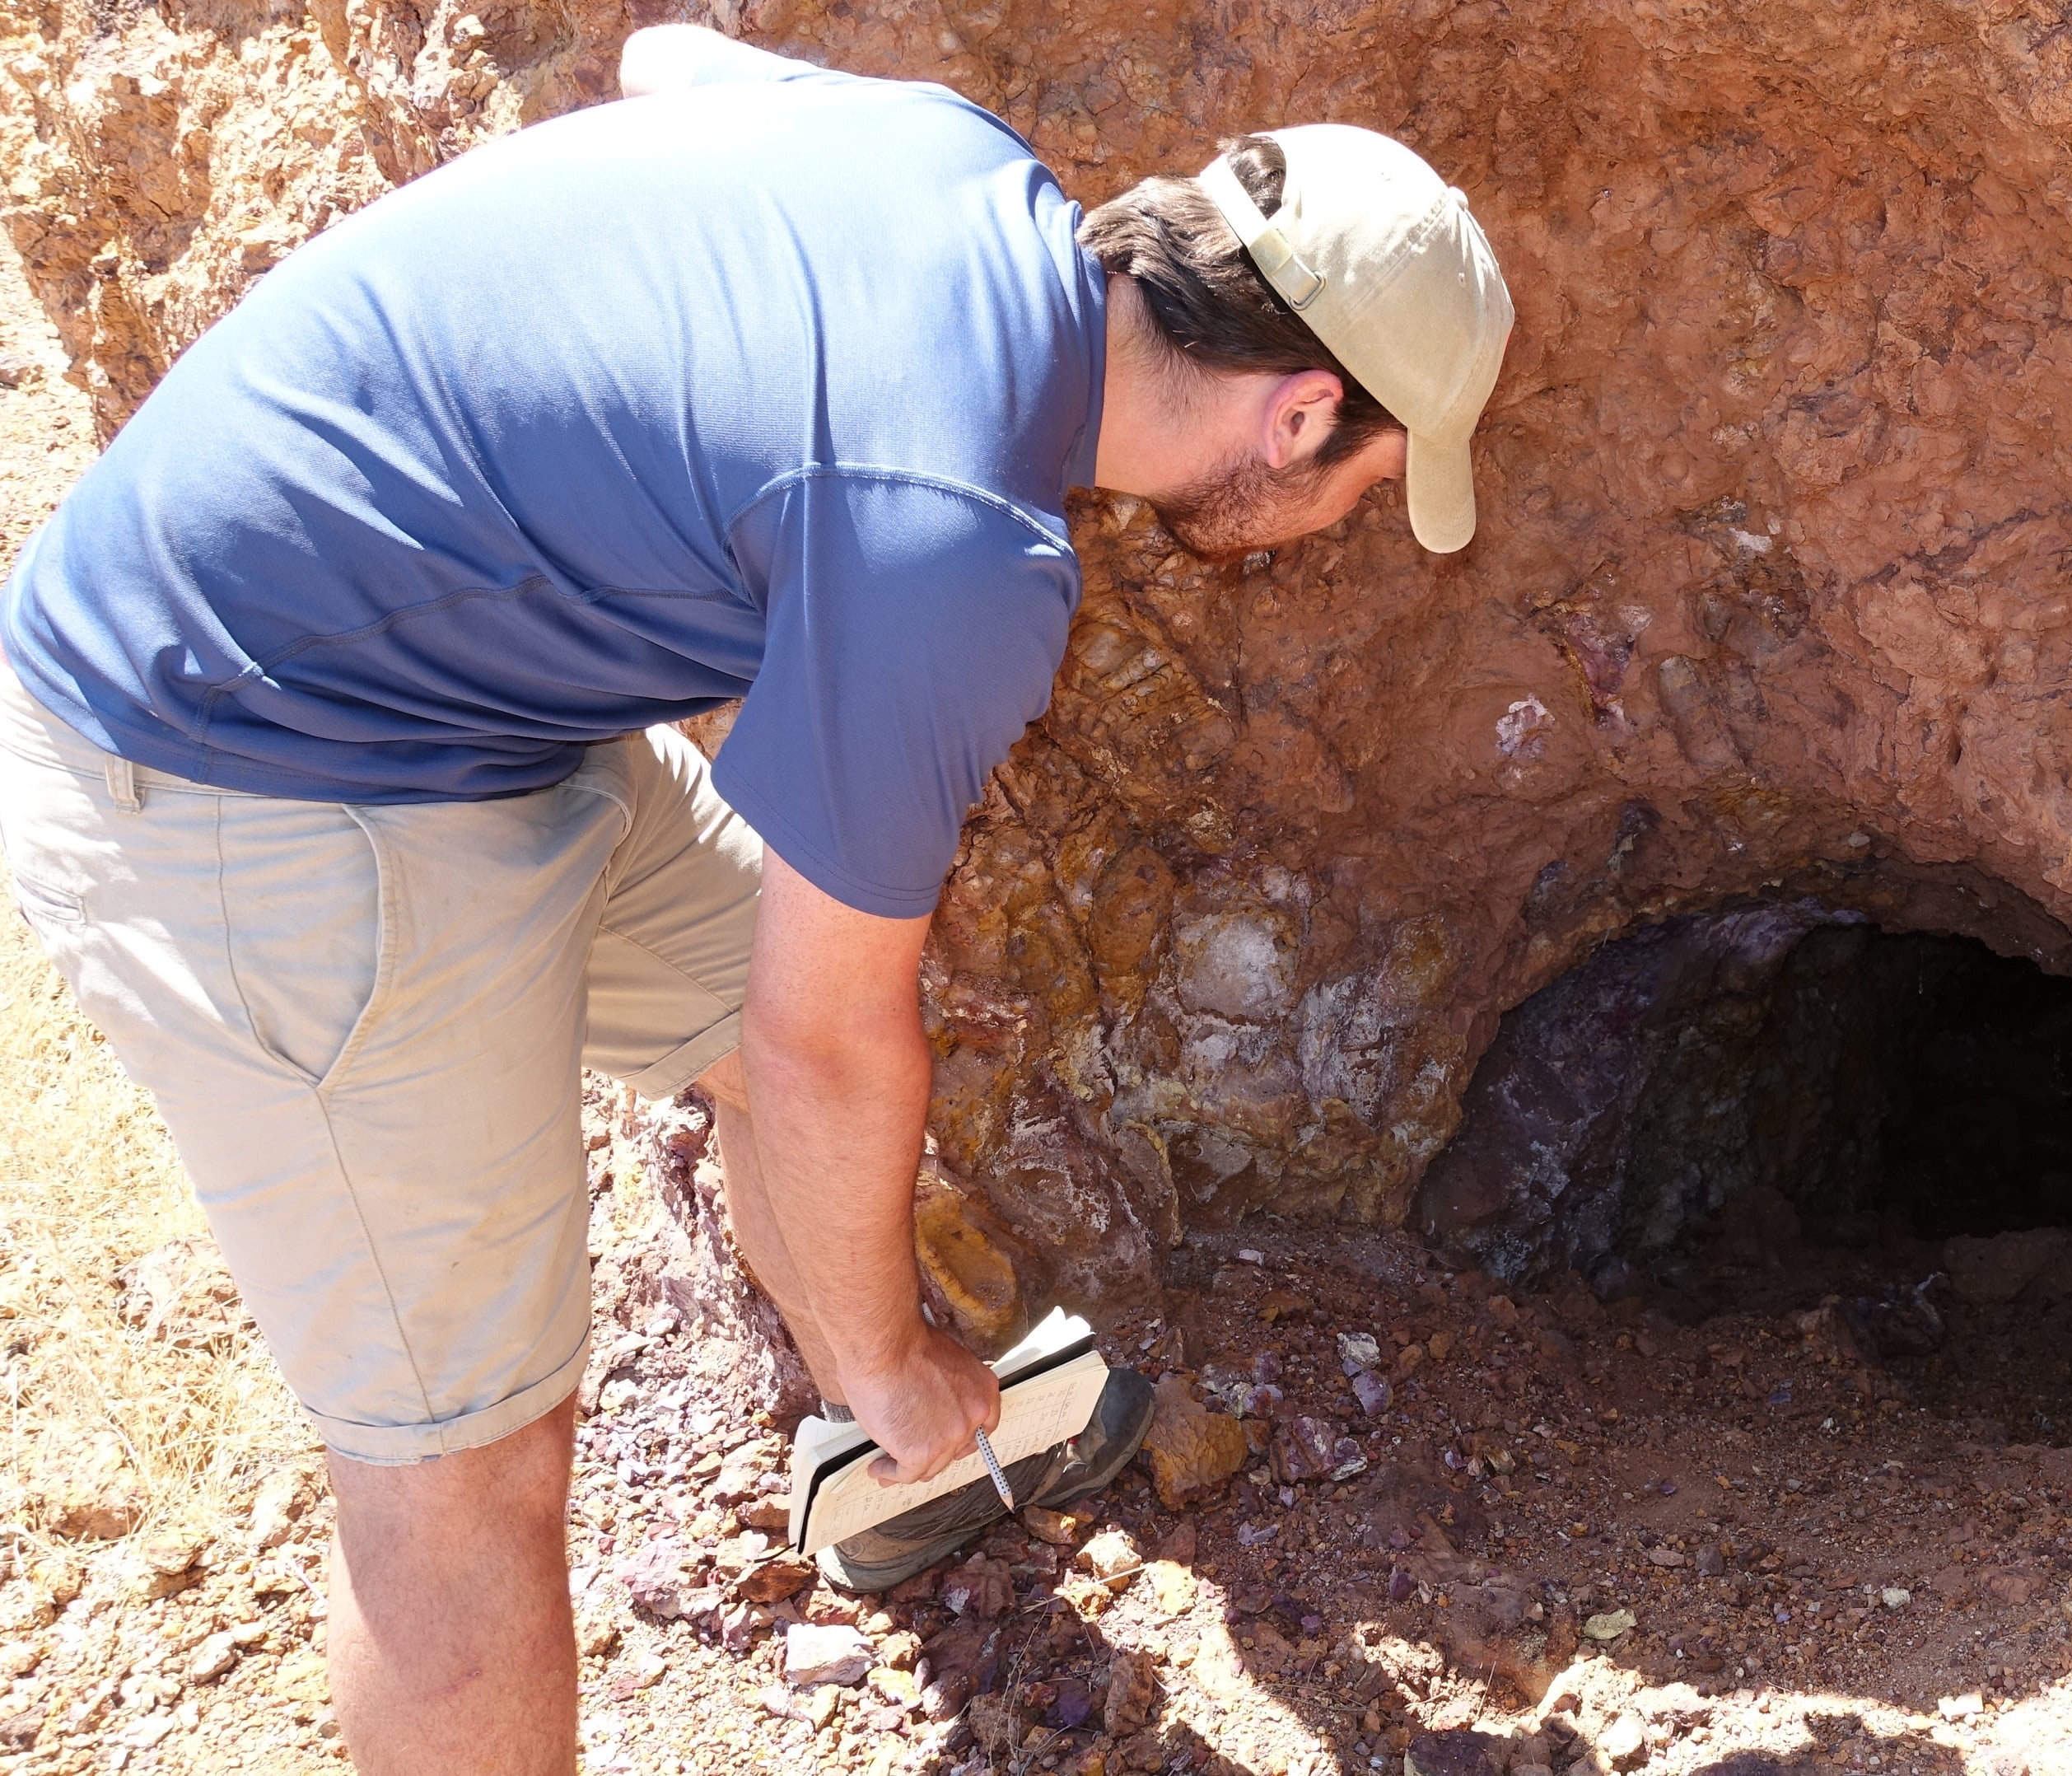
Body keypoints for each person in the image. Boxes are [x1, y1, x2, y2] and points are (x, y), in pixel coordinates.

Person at [0, 24, 1511, 1772]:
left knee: (752, 997)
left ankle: (888, 1465)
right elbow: (825, 1044)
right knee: (465, 1466)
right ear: (1299, 409)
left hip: (445, 683)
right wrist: (882, 1347)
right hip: (240, 759)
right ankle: (881, 1404)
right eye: (1365, 486)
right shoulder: (954, 552)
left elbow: (658, 60)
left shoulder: (939, 160)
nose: (1334, 523)